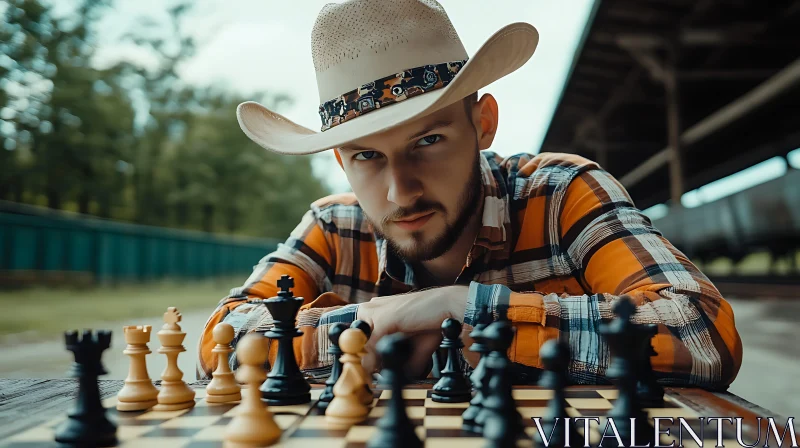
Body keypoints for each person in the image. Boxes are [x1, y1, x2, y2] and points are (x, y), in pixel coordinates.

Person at [196, 0, 742, 388]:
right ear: (340, 160)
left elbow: (703, 332)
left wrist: (462, 308)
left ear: (483, 123)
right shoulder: (333, 226)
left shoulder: (562, 194)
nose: (399, 189)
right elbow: (217, 344)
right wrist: (371, 325)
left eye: (428, 140)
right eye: (366, 155)